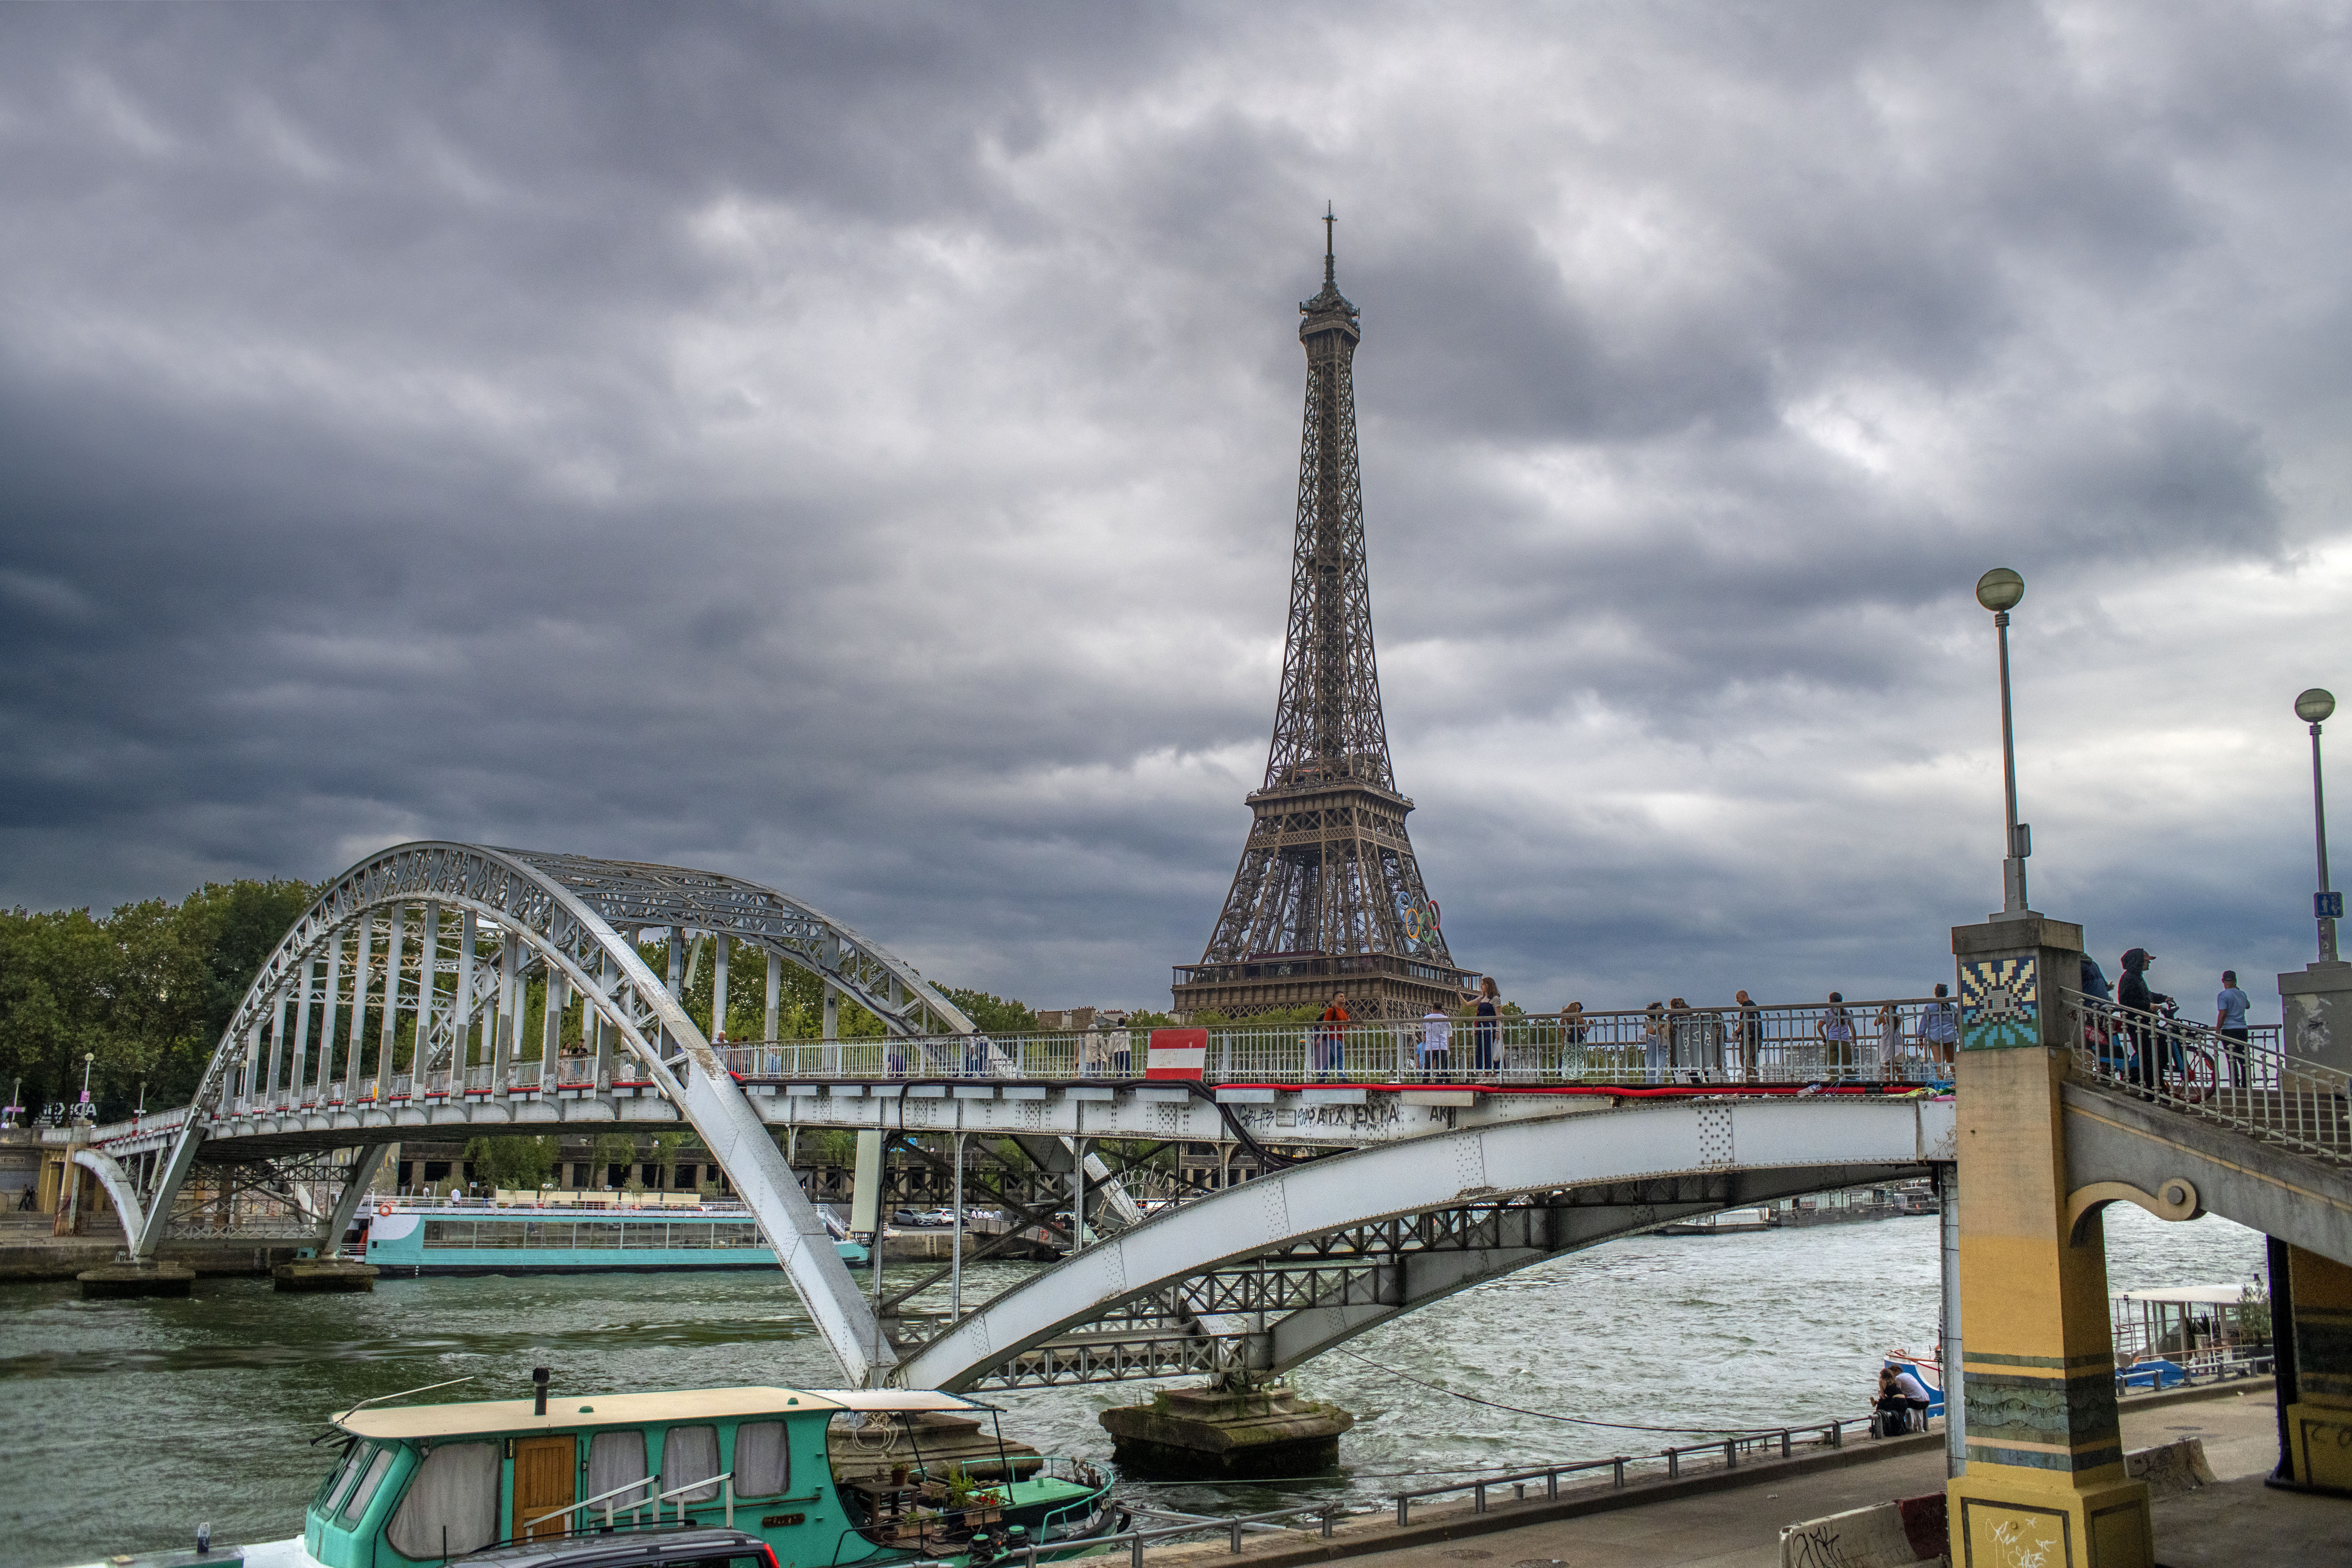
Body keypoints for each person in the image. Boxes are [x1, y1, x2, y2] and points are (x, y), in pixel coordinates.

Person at [2117, 949, 2171, 1090]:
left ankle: (2157, 1086)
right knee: (2149, 1058)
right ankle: (2152, 1090)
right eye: (2147, 961)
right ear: (2138, 962)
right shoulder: (2129, 978)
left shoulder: (2137, 978)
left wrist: (2164, 998)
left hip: (2146, 1023)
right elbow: (2126, 1002)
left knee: (2161, 1049)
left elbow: (2147, 995)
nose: (2149, 963)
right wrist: (2149, 1006)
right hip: (2138, 1025)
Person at [1874, 1364, 1934, 1436]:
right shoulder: (1907, 1375)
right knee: (1898, 1405)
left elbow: (1893, 1395)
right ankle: (1900, 1426)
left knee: (1887, 1406)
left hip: (1917, 1403)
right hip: (1926, 1401)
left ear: (1895, 1371)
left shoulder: (1897, 1379)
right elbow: (1898, 1392)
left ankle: (1880, 1426)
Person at [2215, 971, 2251, 1088]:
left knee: (2231, 1058)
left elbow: (2223, 1013)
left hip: (2229, 1029)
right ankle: (2246, 1084)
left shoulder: (2223, 995)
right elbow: (2248, 1006)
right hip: (2242, 1029)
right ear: (2235, 981)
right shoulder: (2242, 994)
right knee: (2243, 1057)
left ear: (2223, 981)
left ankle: (2235, 1083)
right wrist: (2238, 989)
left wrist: (2218, 1030)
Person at [1919, 982, 1959, 1072]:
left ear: (1936, 993)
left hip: (1935, 1036)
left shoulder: (1930, 1007)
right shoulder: (1952, 1008)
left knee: (1939, 1063)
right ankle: (1957, 1082)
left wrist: (1921, 1039)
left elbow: (1924, 1023)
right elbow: (1958, 1023)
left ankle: (1940, 1082)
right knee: (1952, 1062)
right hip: (1950, 1036)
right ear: (1947, 994)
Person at [1817, 993, 1855, 1077]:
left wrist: (1824, 1037)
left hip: (1831, 1041)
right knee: (1847, 1064)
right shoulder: (1846, 1013)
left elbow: (1819, 1026)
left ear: (1831, 1001)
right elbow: (1852, 1028)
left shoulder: (1828, 1013)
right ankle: (1850, 1083)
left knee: (1832, 1065)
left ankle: (1834, 1083)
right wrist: (1854, 1039)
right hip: (1845, 1041)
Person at [1469, 977, 1501, 1076]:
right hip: (1482, 1029)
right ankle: (1486, 1076)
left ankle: (1493, 1076)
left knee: (1490, 1052)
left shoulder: (1495, 999)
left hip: (1490, 1029)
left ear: (1488, 985)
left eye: (1483, 984)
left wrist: (1498, 1031)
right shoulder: (1482, 999)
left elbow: (1498, 1017)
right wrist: (1458, 994)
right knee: (1483, 1052)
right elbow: (1466, 1004)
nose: (1481, 986)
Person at [1316, 993, 1350, 1083]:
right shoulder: (1331, 1011)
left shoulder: (1345, 1012)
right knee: (1339, 1057)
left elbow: (1350, 1023)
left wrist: (1358, 1027)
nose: (1343, 998)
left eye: (1344, 997)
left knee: (1332, 1060)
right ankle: (1342, 1077)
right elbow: (1325, 1025)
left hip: (1341, 1038)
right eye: (1341, 997)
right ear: (1335, 999)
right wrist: (1320, 1038)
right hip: (1333, 1038)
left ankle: (1322, 1077)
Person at [1734, 991, 1763, 1082]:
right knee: (1753, 1059)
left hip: (1749, 1036)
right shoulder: (1754, 1005)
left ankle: (1751, 1080)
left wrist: (1738, 1032)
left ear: (1743, 997)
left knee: (1745, 1058)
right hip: (1756, 1036)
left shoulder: (1746, 1005)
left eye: (1738, 998)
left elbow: (1745, 1019)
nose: (1737, 1001)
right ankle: (1755, 1081)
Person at [1420, 1005, 1452, 1080]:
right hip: (1442, 1046)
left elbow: (1424, 1029)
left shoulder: (1426, 1018)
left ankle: (1425, 1085)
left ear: (1433, 1009)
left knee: (1427, 1067)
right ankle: (1440, 1086)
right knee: (1441, 1068)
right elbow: (1450, 1032)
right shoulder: (1446, 1019)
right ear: (1441, 1010)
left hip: (1430, 1047)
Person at [1876, 1000, 1905, 1079]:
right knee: (1898, 1066)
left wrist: (1882, 1012)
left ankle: (1890, 1085)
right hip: (1898, 1041)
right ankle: (1901, 1084)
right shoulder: (1899, 1017)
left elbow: (1876, 1023)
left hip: (1887, 1042)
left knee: (1888, 1067)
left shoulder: (1884, 1018)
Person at [1643, 1002, 1669, 1084]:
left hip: (1663, 1046)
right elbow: (1651, 1032)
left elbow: (1667, 1034)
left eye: (1661, 1010)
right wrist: (1659, 1027)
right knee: (1651, 1065)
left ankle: (1659, 1084)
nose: (1660, 1012)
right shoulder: (1650, 1021)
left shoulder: (1664, 1021)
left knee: (1661, 1066)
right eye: (1658, 1010)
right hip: (1653, 1045)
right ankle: (1651, 1084)